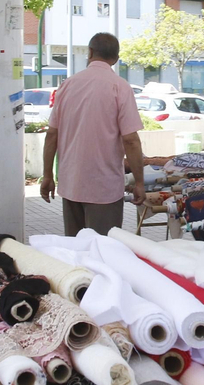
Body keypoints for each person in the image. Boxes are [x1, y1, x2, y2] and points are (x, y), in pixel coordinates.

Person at [40, 32, 145, 237]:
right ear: (115, 58)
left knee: (76, 252)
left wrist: (47, 175)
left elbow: (52, 135)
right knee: (102, 252)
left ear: (89, 53)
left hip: (71, 184)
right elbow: (131, 140)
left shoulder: (67, 85)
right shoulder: (120, 87)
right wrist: (139, 183)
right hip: (103, 188)